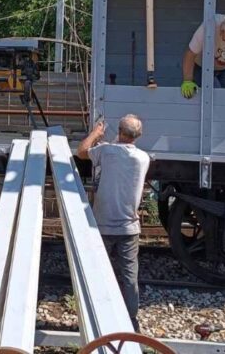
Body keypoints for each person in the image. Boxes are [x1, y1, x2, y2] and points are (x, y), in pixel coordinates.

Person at [76, 115, 150, 332]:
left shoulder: (106, 151)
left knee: (98, 272)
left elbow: (81, 152)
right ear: (139, 136)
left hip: (103, 226)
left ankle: (98, 317)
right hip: (129, 228)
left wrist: (95, 134)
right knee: (129, 277)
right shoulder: (143, 158)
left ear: (119, 131)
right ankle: (131, 321)